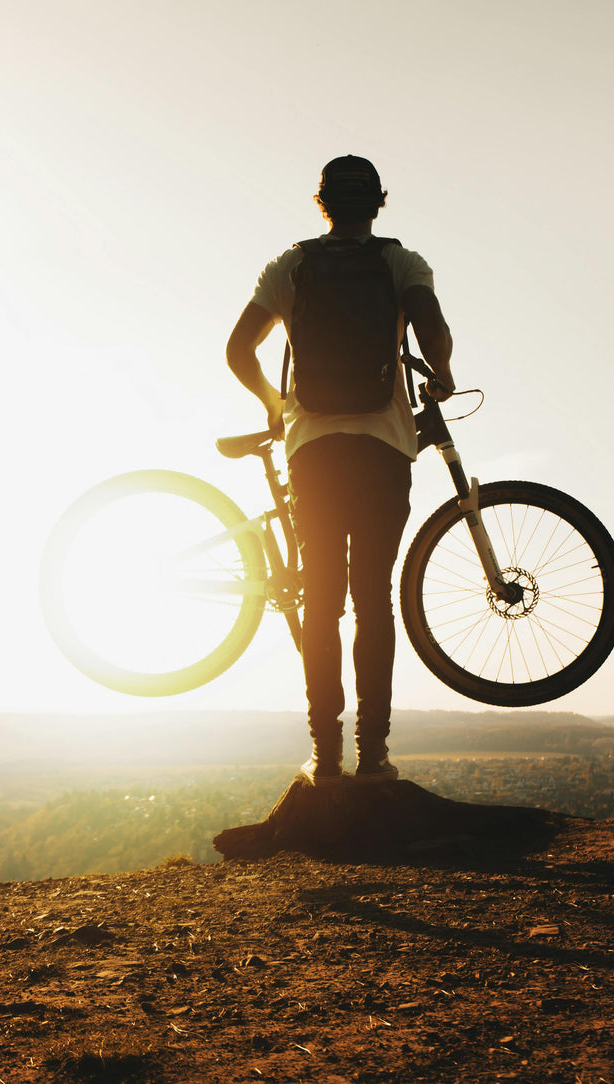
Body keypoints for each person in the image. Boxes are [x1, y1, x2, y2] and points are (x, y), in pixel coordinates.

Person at [226, 155, 454, 787]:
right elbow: (431, 328)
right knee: (372, 601)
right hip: (384, 446)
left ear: (321, 203)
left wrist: (279, 408)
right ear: (379, 202)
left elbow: (238, 350)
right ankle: (373, 756)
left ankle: (325, 760)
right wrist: (443, 372)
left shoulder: (290, 266)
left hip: (313, 450)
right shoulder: (401, 262)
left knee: (322, 599)